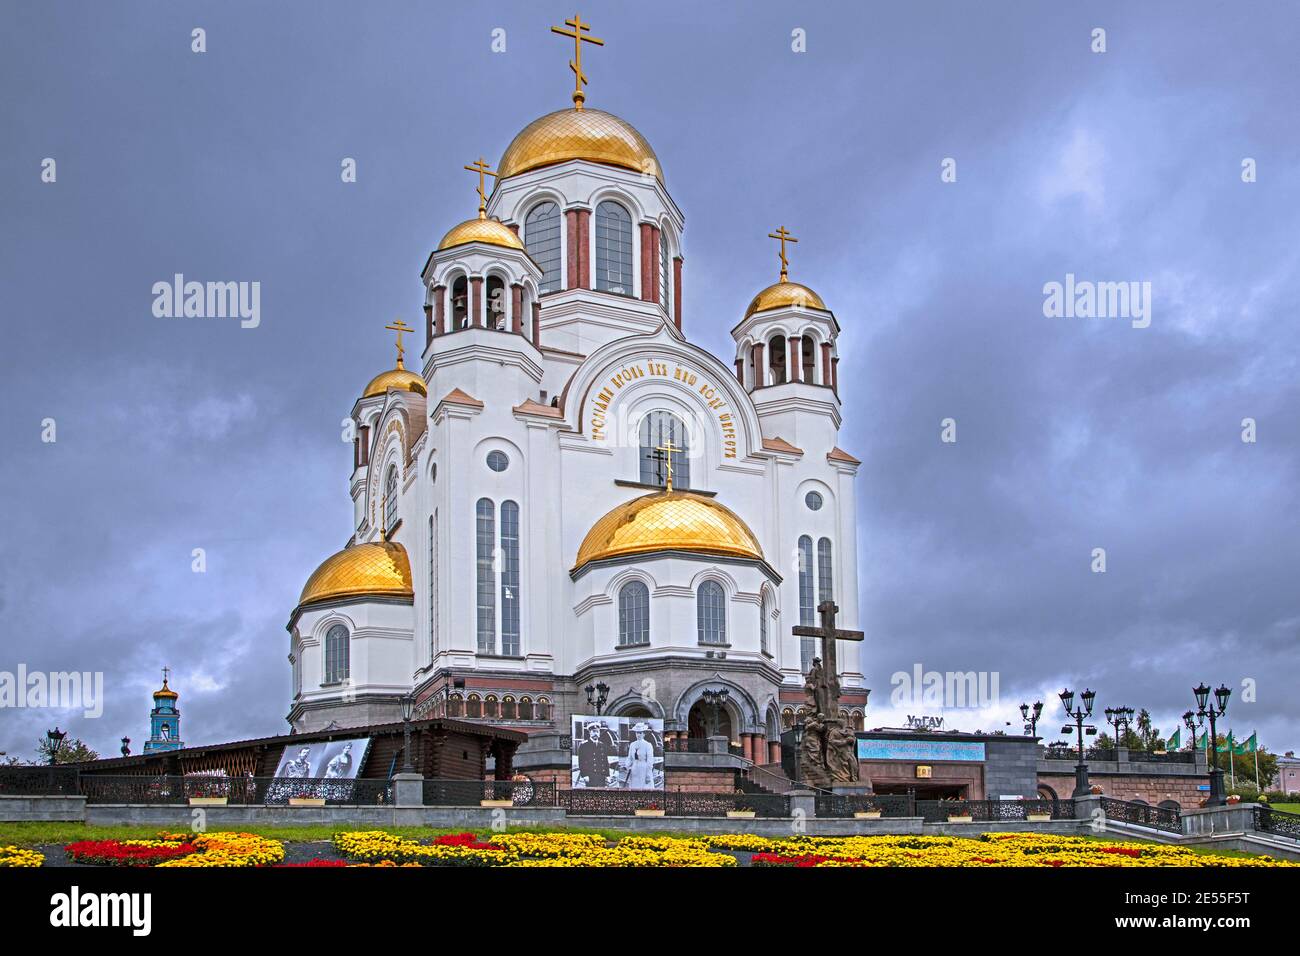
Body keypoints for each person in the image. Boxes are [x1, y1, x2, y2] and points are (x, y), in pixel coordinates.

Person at [575, 721, 615, 788]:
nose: (595, 733)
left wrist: (607, 775)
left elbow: (605, 762)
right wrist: (584, 775)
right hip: (590, 776)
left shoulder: (602, 745)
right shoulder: (584, 745)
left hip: (602, 776)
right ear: (590, 732)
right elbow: (581, 762)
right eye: (593, 731)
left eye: (597, 731)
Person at [624, 723, 657, 790]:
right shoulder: (632, 745)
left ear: (644, 734)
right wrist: (626, 766)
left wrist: (648, 775)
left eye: (640, 733)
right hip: (634, 769)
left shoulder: (648, 745)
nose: (638, 735)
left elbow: (650, 761)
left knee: (645, 789)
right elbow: (630, 758)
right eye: (637, 733)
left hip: (644, 769)